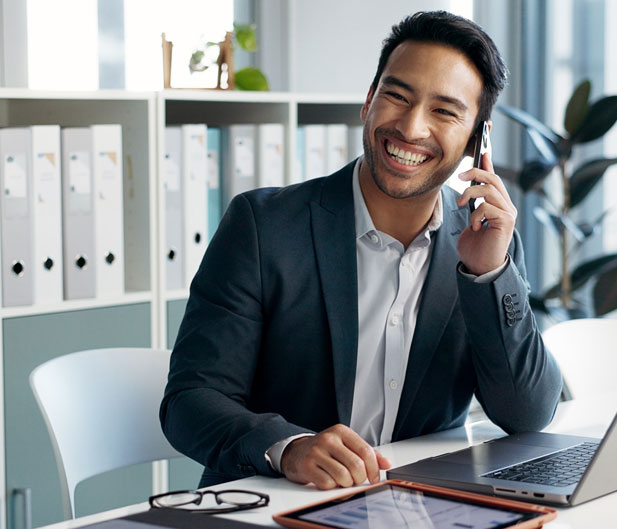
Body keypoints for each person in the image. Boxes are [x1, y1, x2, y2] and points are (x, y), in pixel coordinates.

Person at [160, 10, 562, 491]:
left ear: (478, 139)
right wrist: (289, 448)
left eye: (444, 111)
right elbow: (190, 399)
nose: (411, 129)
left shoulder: (484, 245)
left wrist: (488, 273)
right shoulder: (262, 226)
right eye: (397, 96)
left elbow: (528, 413)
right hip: (278, 503)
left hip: (416, 507)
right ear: (368, 102)